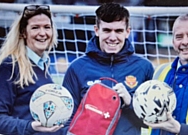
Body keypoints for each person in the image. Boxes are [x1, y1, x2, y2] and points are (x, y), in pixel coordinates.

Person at [62, 2, 154, 135]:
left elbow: (151, 121)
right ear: (96, 30)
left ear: (127, 32)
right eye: (107, 30)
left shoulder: (144, 68)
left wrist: (130, 103)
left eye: (118, 31)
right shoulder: (77, 68)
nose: (112, 37)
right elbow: (65, 118)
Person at [0, 5, 68, 135]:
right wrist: (30, 126)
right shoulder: (10, 66)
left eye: (47, 27)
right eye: (35, 27)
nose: (42, 33)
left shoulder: (43, 65)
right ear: (23, 33)